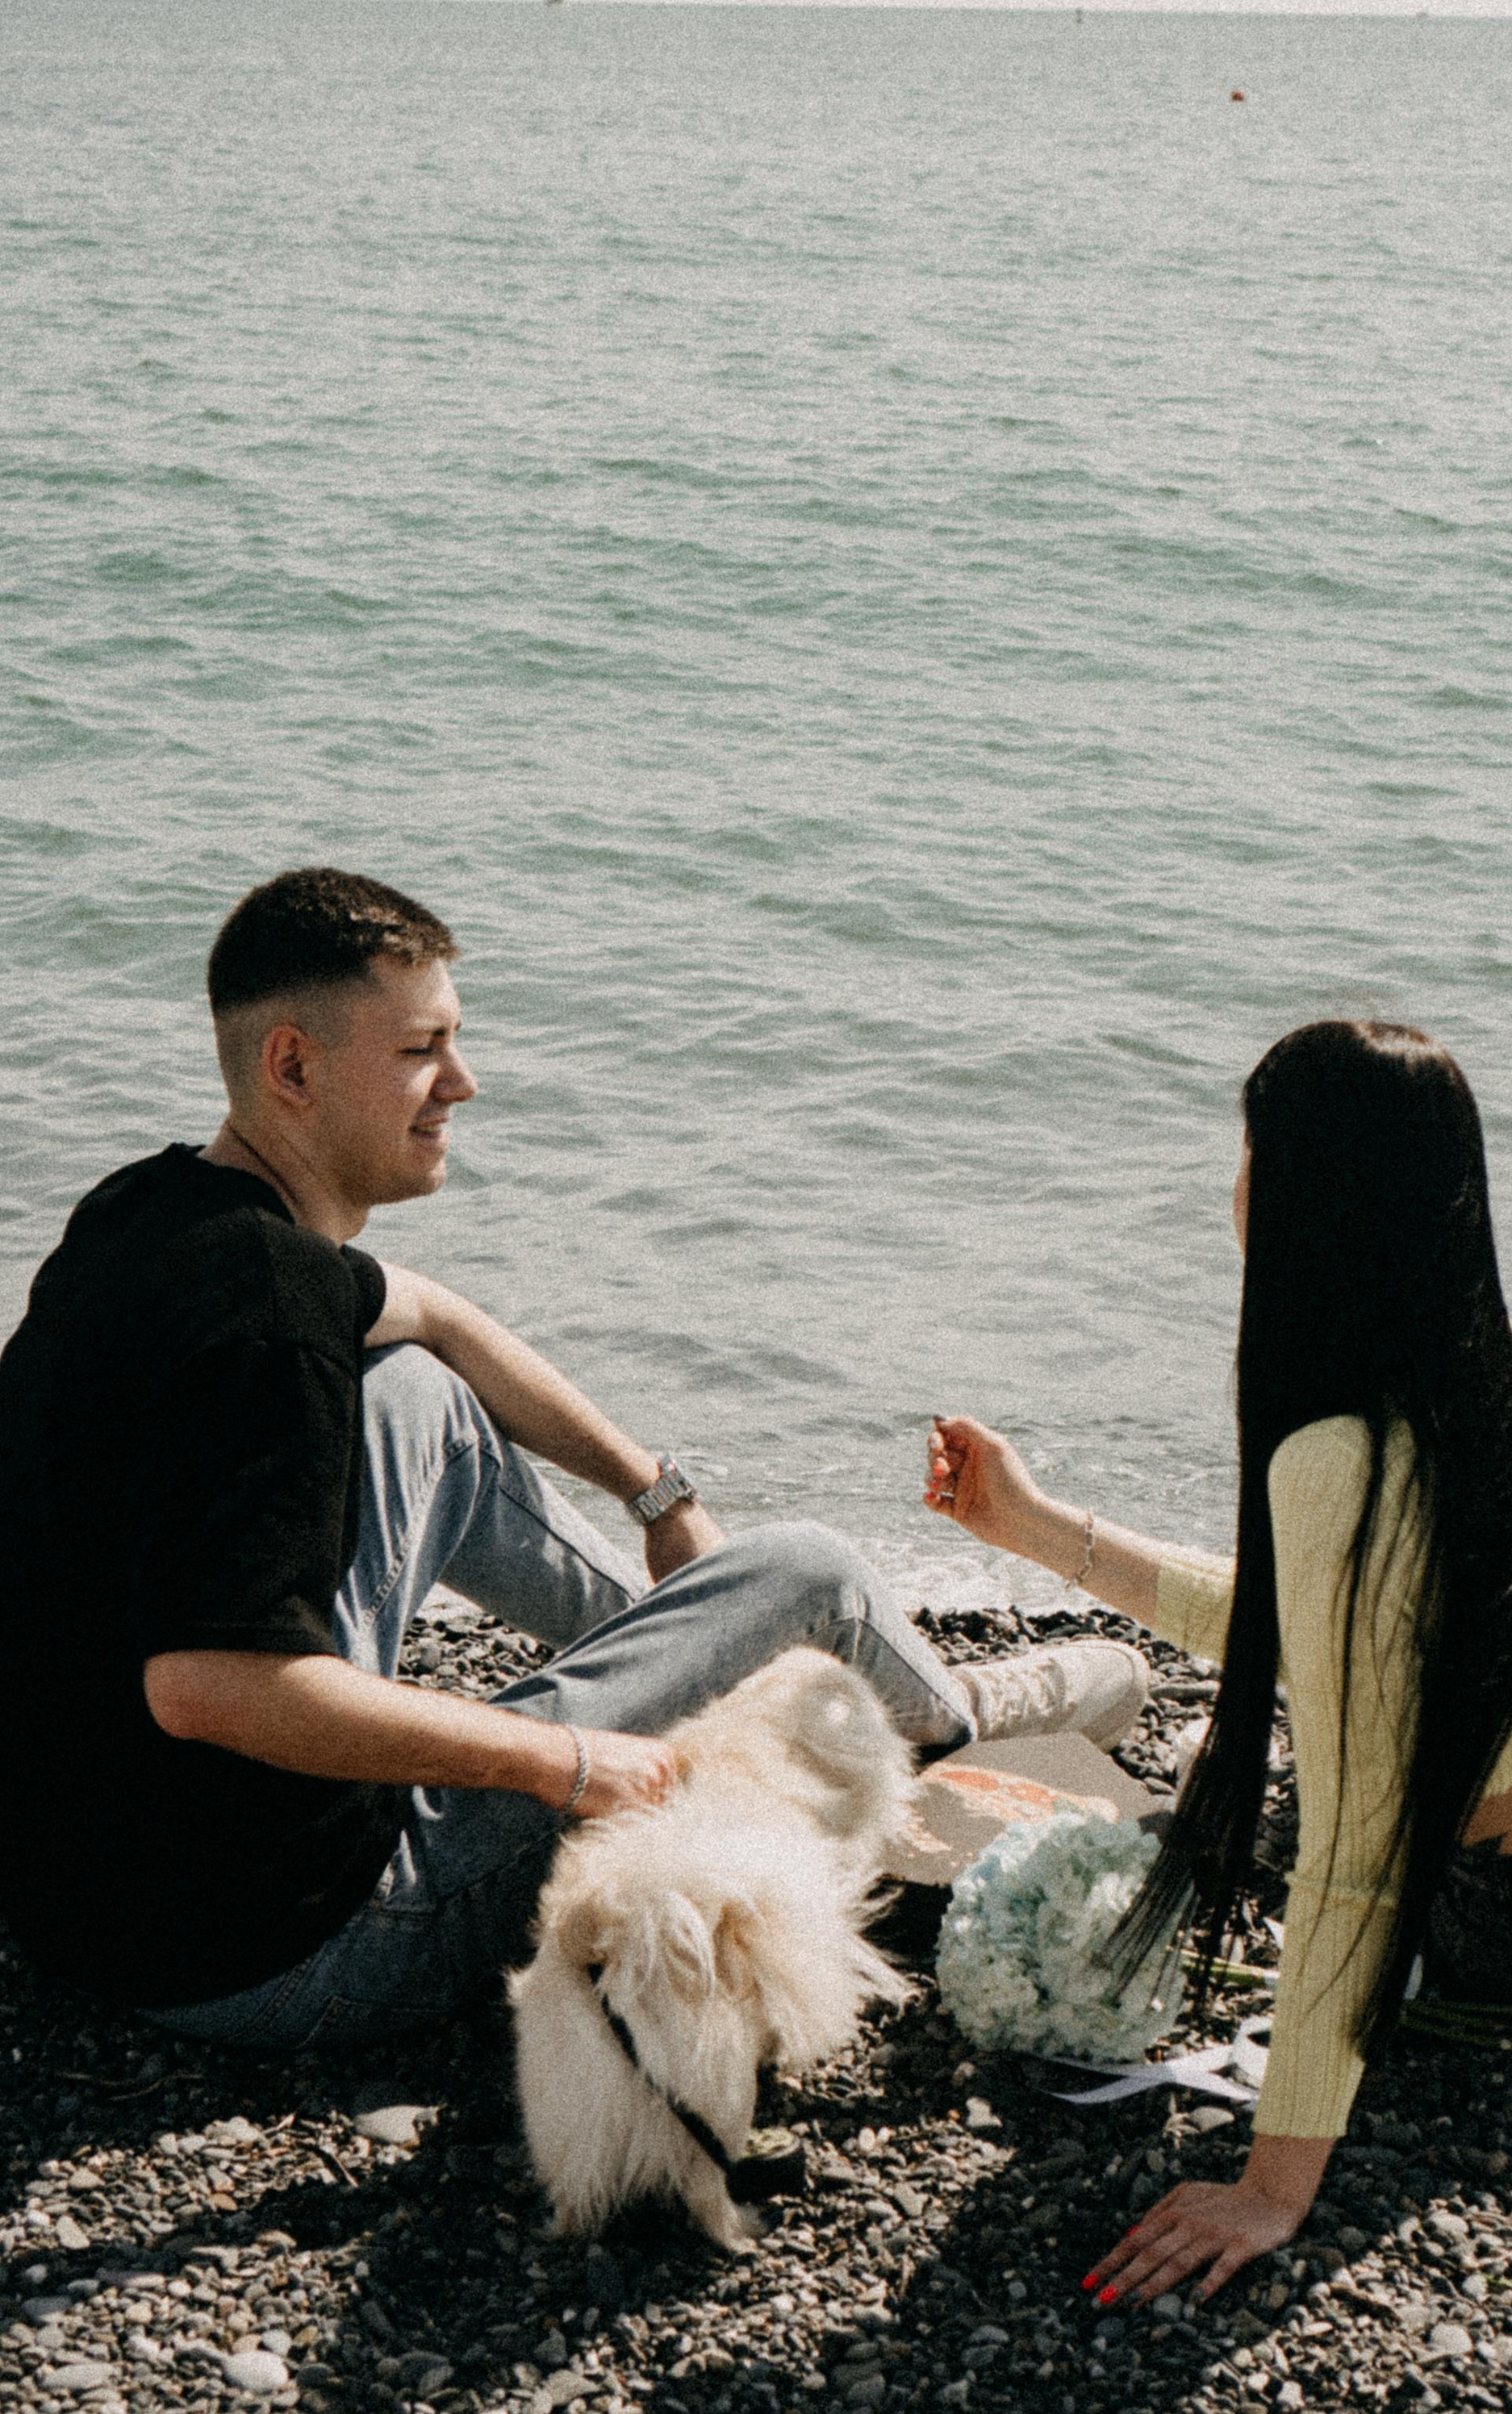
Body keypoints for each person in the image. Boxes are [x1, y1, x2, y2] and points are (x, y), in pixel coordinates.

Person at [0, 867, 1143, 2053]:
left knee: (419, 1394)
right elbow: (210, 1687)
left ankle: (704, 1661)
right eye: (421, 1049)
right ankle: (949, 1713)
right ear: (293, 1067)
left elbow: (439, 1318)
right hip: (286, 1951)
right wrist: (569, 1760)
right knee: (807, 1567)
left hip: (85, 1892)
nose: (464, 1082)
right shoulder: (274, 1331)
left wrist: (654, 1489)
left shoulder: (154, 1212)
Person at [925, 1019, 1512, 2306]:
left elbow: (1357, 1862)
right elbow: (1333, 1622)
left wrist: (1274, 2188)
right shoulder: (1507, 1353)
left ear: (1300, 1200)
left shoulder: (1336, 1461)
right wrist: (1042, 1531)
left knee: (1278, 1816)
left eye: (1247, 1154)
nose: (1230, 1183)